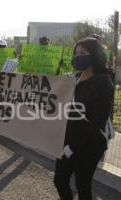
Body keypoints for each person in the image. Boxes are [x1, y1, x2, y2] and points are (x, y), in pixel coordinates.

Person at [53, 37, 114, 200]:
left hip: (90, 145)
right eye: (76, 53)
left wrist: (72, 147)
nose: (77, 56)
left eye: (82, 53)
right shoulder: (74, 79)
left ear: (93, 55)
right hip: (68, 139)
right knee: (59, 180)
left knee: (82, 185)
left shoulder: (104, 84)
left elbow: (96, 123)